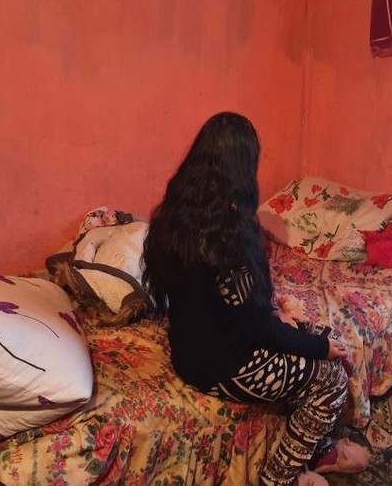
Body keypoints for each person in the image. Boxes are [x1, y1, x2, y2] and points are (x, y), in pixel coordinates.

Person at [142, 112, 366, 486]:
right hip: (223, 365)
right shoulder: (229, 233)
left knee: (322, 336)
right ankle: (278, 478)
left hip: (191, 350)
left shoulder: (174, 216)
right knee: (331, 376)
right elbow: (254, 327)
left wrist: (283, 319)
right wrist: (316, 347)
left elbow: (228, 304)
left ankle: (315, 448)